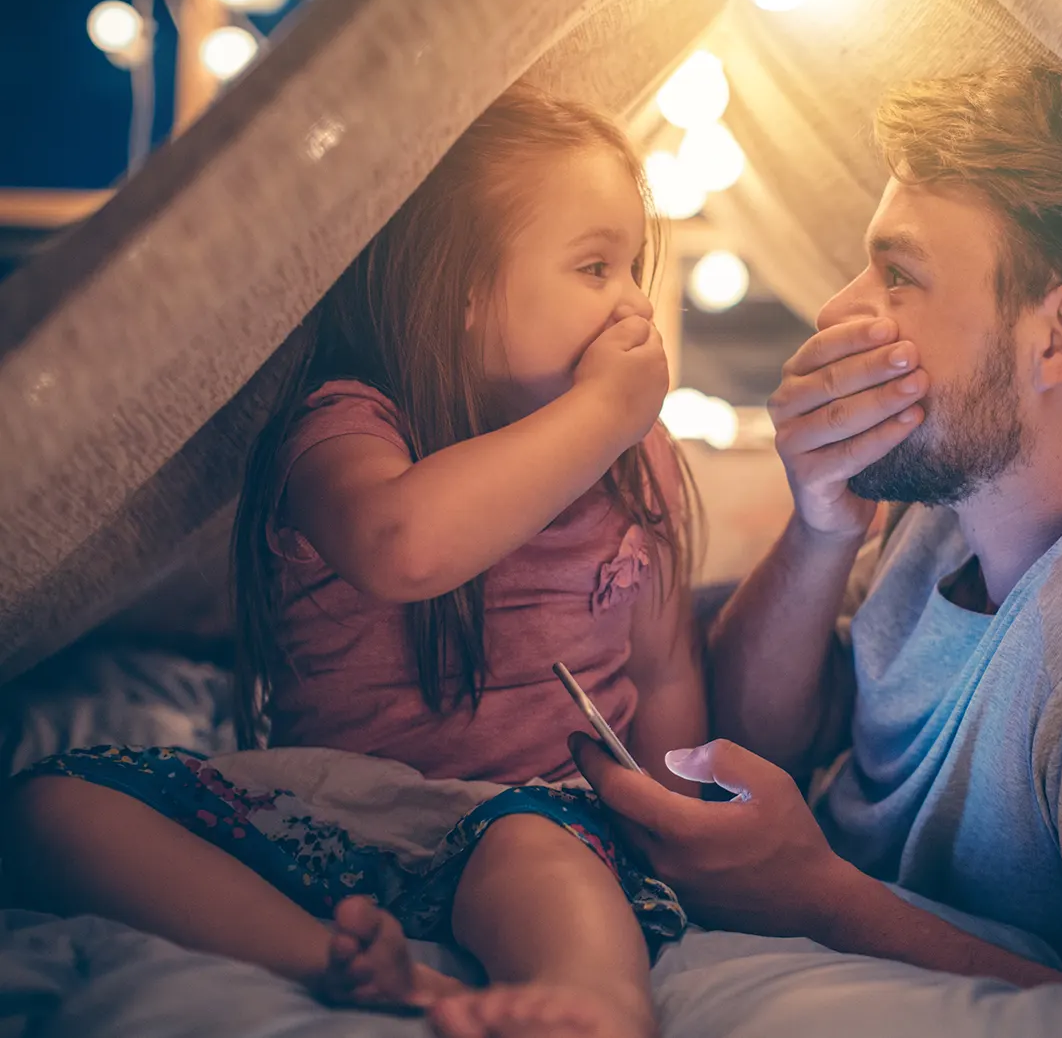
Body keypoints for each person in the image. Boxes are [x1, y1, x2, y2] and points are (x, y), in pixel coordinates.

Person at [574, 63, 1062, 1036]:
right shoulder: (956, 491)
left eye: (897, 273)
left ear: (1058, 336)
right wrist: (821, 526)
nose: (842, 311)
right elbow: (764, 741)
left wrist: (816, 896)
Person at [4, 84, 705, 1038]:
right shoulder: (344, 424)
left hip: (526, 819)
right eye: (596, 266)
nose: (632, 300)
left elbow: (663, 665)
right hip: (321, 819)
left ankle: (592, 1006)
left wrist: (679, 825)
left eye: (633, 266)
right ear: (457, 288)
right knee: (53, 802)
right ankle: (339, 962)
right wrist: (602, 413)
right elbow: (402, 545)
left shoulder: (633, 462)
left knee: (542, 862)